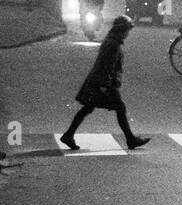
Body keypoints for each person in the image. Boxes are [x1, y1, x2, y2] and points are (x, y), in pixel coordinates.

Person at [60, 15, 150, 150]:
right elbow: (107, 66)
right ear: (122, 30)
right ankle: (130, 139)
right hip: (102, 83)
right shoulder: (114, 45)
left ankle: (68, 134)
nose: (128, 34)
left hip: (98, 81)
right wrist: (105, 85)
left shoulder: (112, 41)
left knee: (88, 107)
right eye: (127, 31)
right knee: (119, 107)